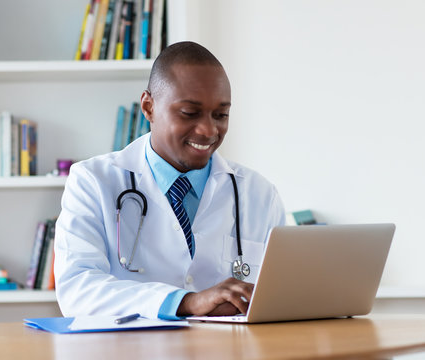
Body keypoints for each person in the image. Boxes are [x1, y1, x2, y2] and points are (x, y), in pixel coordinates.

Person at [54, 41, 286, 320]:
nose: (209, 130)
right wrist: (186, 302)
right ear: (148, 107)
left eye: (221, 115)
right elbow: (77, 290)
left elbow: (284, 291)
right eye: (190, 113)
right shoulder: (93, 181)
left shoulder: (258, 193)